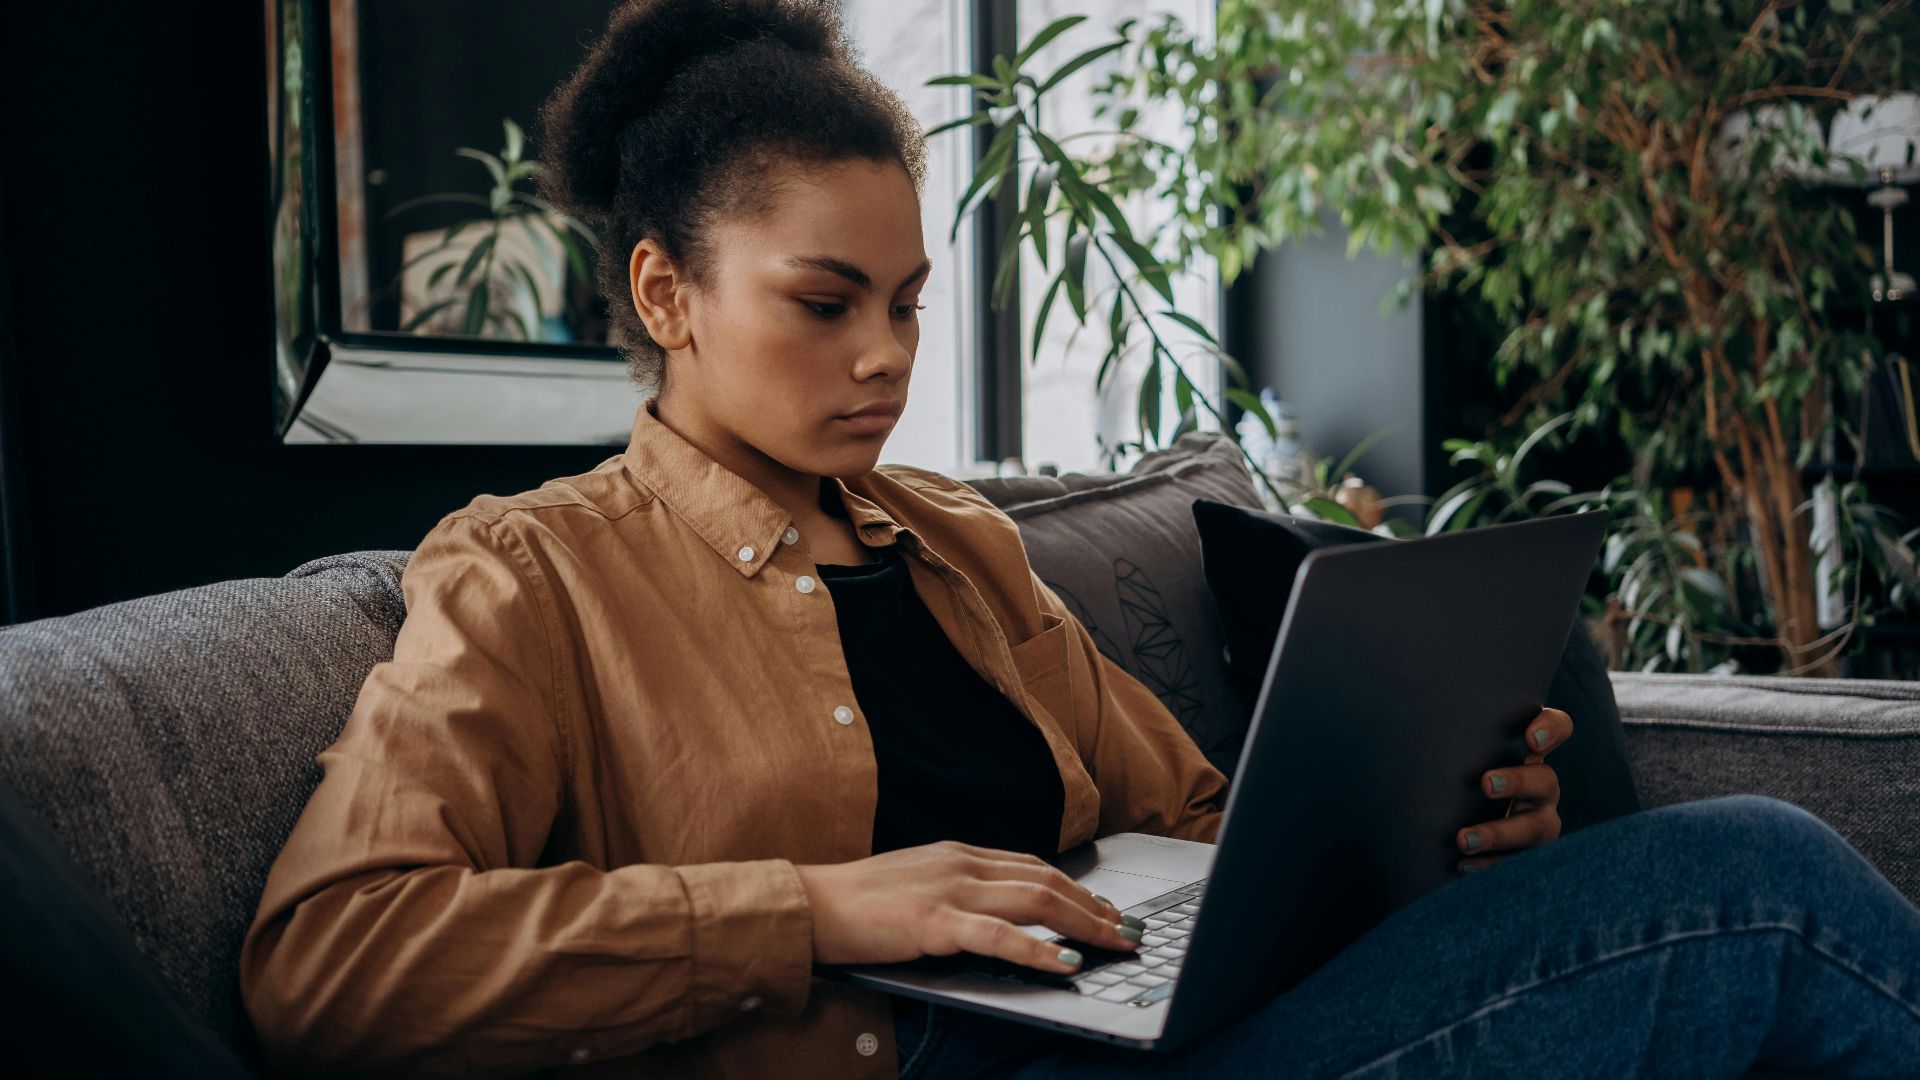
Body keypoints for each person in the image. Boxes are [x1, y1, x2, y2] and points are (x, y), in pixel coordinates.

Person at [239, 1, 1920, 1076]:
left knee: (1717, 887)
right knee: (1754, 880)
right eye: (824, 304)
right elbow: (331, 962)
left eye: (901, 303)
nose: (887, 355)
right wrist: (813, 911)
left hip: (1164, 1034)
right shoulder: (533, 578)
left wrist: (1440, 830)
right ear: (664, 293)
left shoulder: (957, 545)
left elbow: (1191, 816)